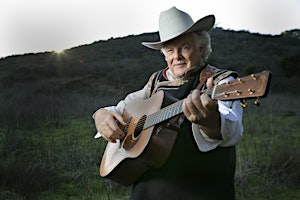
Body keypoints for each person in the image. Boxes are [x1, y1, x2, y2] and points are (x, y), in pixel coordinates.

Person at [93, 6, 243, 200]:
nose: (177, 56)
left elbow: (233, 131)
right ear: (164, 54)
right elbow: (121, 108)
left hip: (202, 190)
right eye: (170, 50)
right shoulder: (154, 82)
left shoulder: (222, 82)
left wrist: (211, 121)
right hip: (148, 192)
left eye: (185, 47)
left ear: (201, 47)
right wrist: (101, 114)